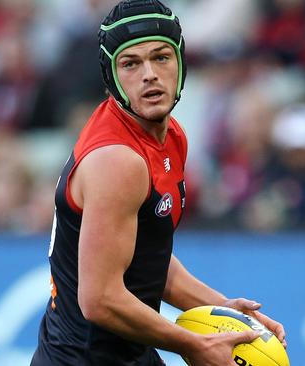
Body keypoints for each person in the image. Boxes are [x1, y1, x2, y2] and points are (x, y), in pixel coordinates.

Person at [31, 1, 287, 365]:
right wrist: (192, 344)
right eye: (131, 63)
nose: (149, 74)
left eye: (161, 57)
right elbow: (100, 300)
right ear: (112, 77)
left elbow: (147, 257)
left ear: (181, 64)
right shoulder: (117, 161)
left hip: (129, 353)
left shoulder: (170, 135)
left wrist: (220, 306)